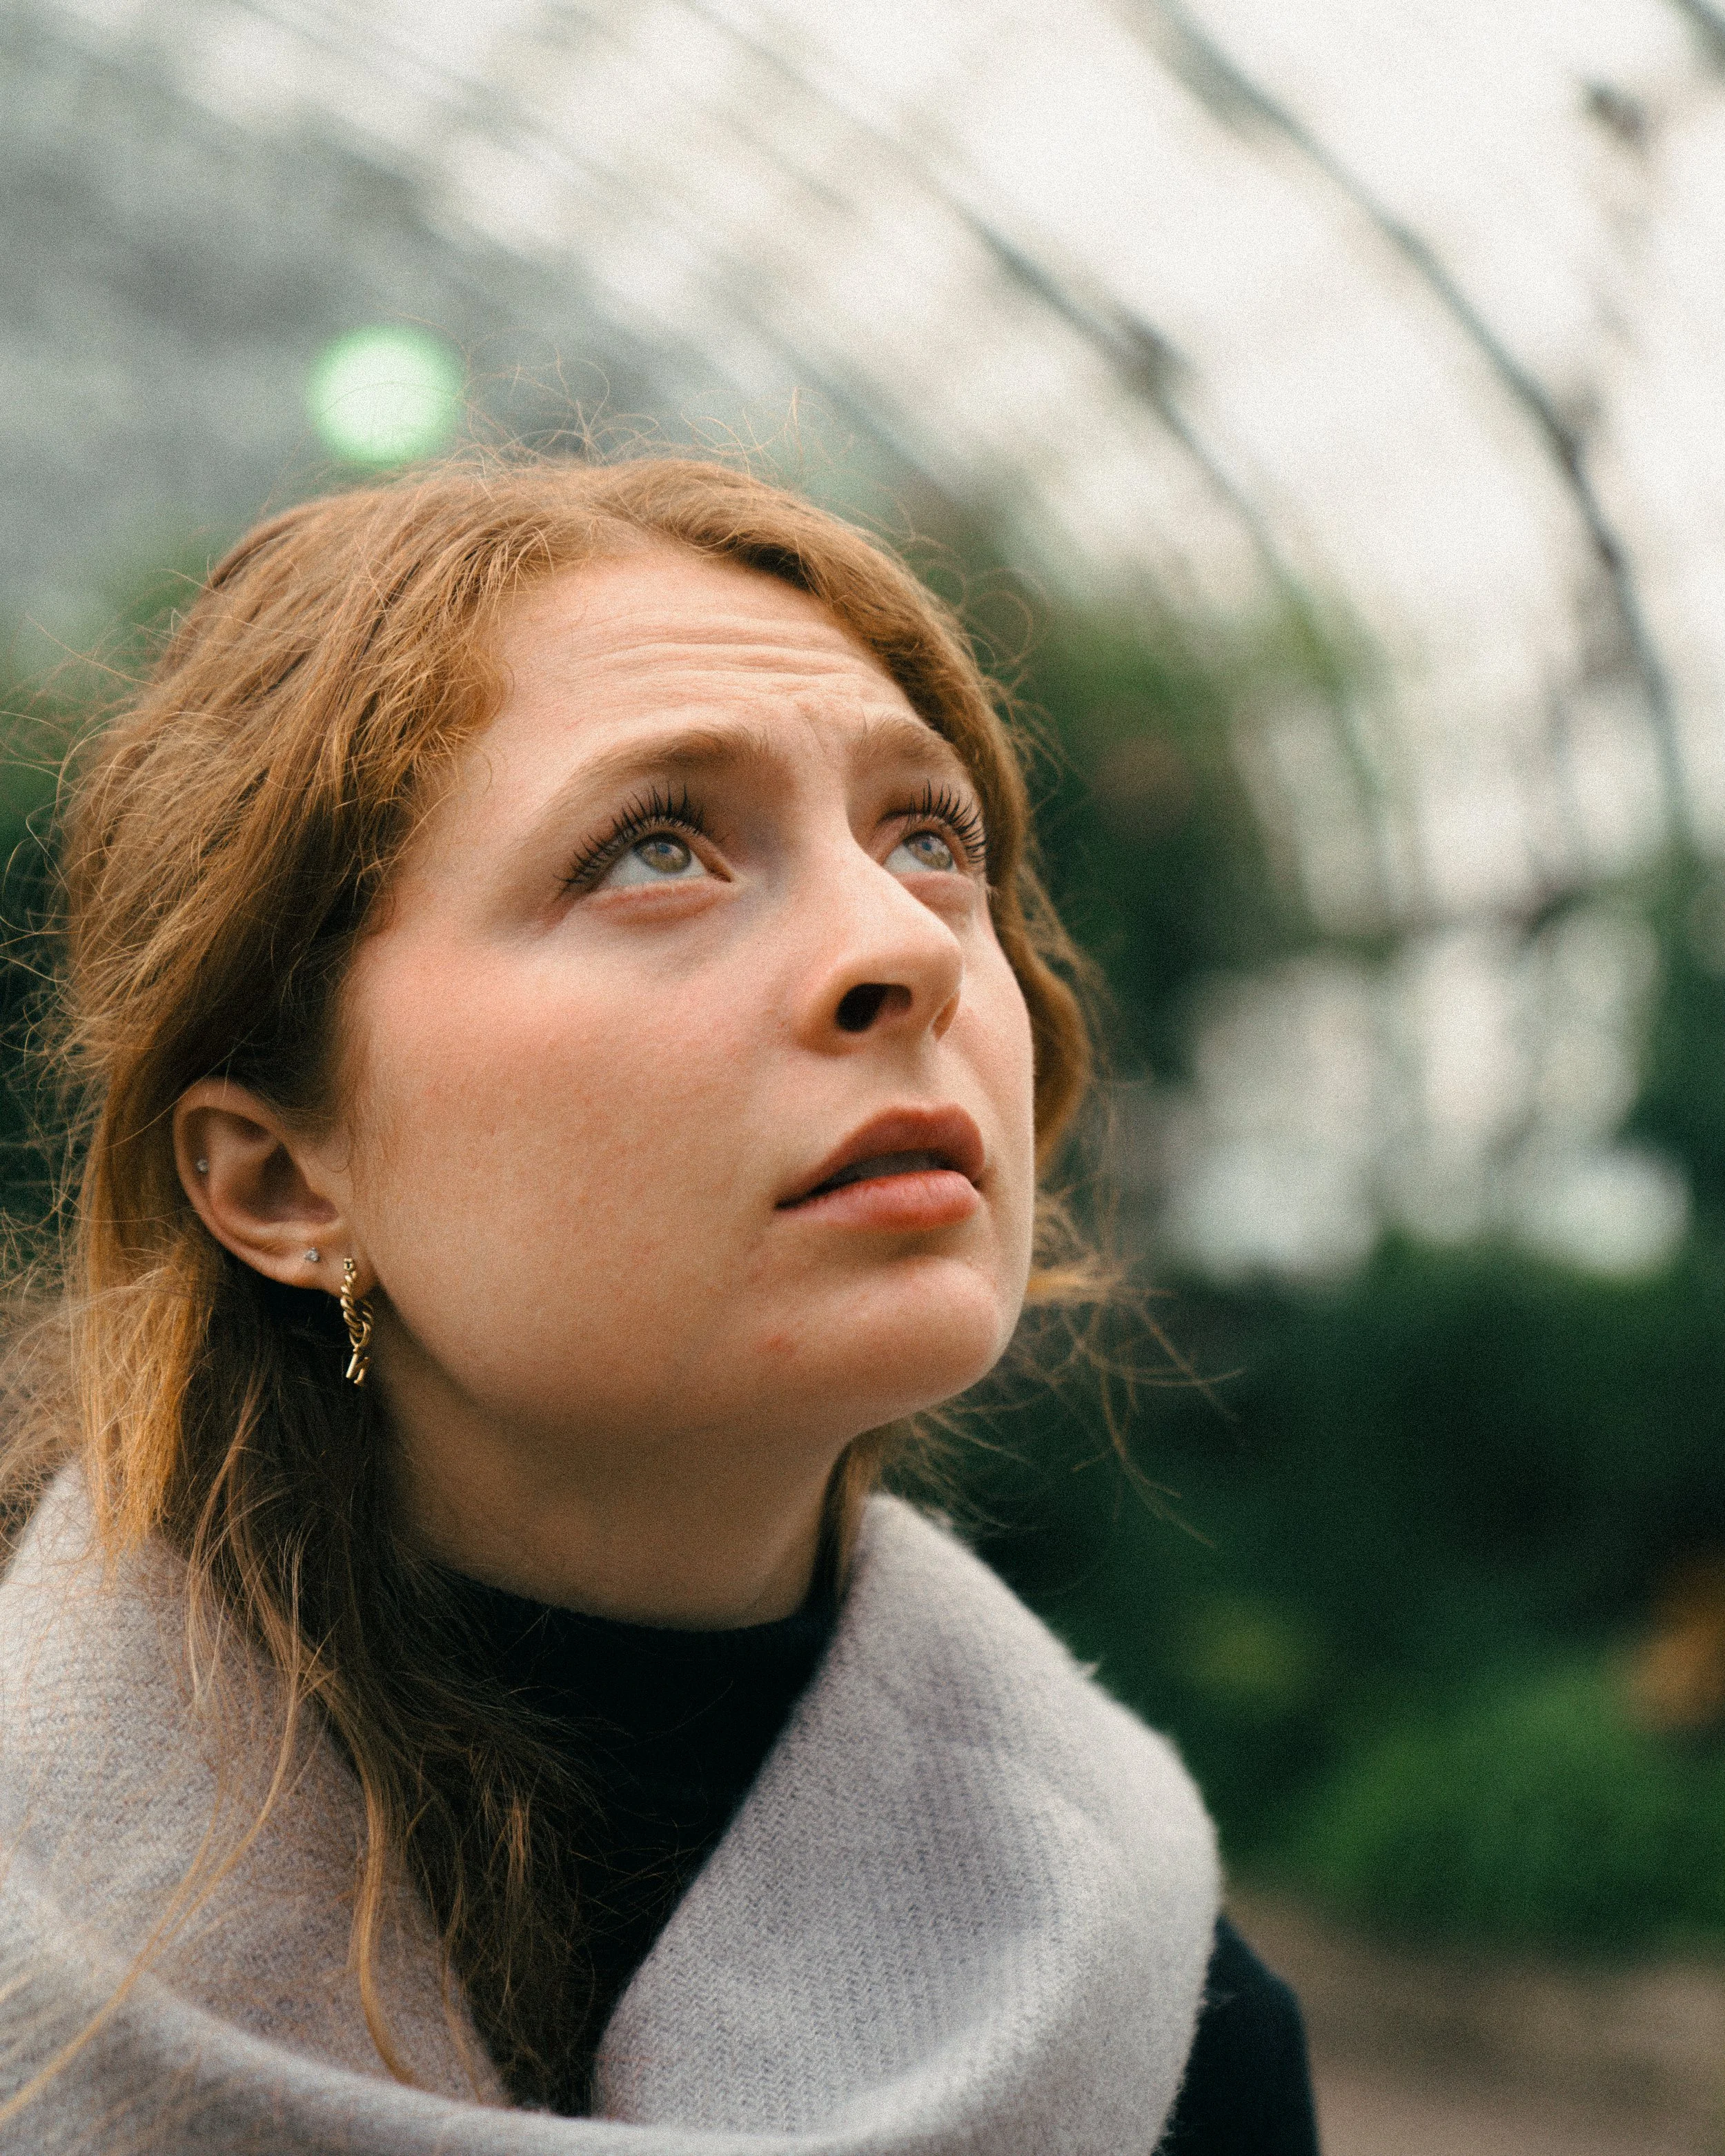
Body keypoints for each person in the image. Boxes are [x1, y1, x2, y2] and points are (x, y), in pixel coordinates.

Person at [0, 456, 1317, 2151]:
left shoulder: (1166, 2039)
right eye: (653, 848)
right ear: (282, 1182)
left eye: (931, 837)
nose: (900, 944)